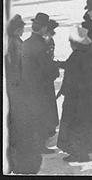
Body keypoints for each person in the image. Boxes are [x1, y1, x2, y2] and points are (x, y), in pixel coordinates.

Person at [56, 26, 92, 162]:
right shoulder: (87, 53)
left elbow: (73, 71)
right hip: (88, 98)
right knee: (85, 125)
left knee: (74, 126)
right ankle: (82, 152)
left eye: (71, 42)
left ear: (76, 43)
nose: (70, 45)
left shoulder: (77, 55)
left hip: (77, 99)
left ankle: (78, 153)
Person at [6, 14, 43, 174]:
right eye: (21, 28)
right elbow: (16, 67)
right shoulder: (14, 44)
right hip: (17, 87)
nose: (23, 31)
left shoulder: (14, 41)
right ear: (16, 30)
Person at [21, 13, 60, 154]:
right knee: (42, 114)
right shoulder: (41, 45)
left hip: (27, 84)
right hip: (41, 86)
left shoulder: (26, 43)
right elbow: (47, 67)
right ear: (43, 28)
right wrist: (55, 72)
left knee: (33, 113)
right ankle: (39, 146)